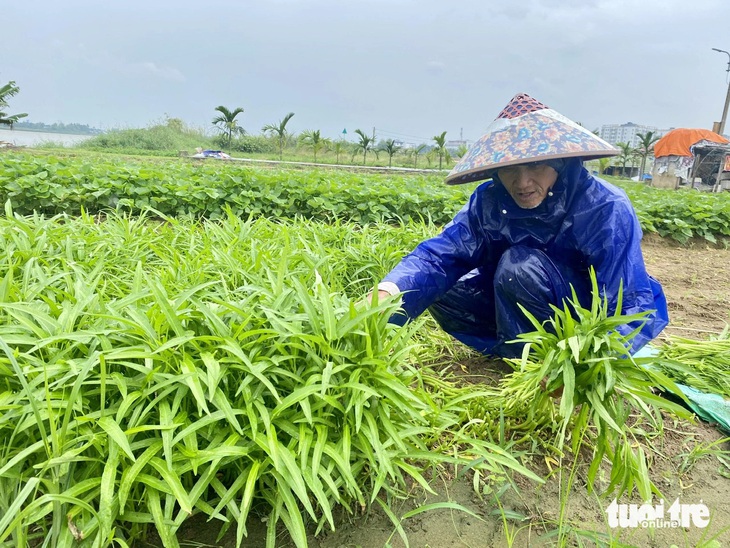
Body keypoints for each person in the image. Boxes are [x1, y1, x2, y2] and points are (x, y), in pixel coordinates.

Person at [373, 93, 668, 358]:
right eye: (510, 169)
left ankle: (544, 359)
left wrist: (591, 357)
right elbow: (440, 256)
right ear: (496, 171)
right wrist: (388, 294)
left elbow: (628, 298)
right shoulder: (488, 202)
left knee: (519, 266)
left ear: (561, 163)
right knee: (440, 286)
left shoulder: (605, 207)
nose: (523, 182)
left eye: (536, 166)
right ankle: (512, 351)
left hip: (578, 321)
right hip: (515, 300)